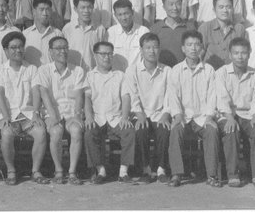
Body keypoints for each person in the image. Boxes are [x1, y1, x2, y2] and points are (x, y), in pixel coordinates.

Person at [166, 30, 221, 188]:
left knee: (212, 131)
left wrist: (209, 117)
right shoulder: (176, 70)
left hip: (202, 117)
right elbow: (173, 96)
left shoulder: (209, 70)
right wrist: (177, 115)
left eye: (197, 44)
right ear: (183, 48)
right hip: (183, 116)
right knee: (175, 130)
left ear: (202, 48)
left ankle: (212, 175)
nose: (193, 48)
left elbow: (212, 96)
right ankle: (176, 174)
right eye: (189, 45)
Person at [0, 32, 49, 185]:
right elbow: (0, 94)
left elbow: (36, 92)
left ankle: (35, 171)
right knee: (6, 134)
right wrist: (6, 116)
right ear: (6, 50)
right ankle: (11, 171)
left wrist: (36, 113)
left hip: (28, 114)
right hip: (9, 115)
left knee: (40, 132)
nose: (18, 50)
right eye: (13, 47)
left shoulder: (31, 68)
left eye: (20, 47)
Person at [214, 38, 255, 188]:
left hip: (248, 114)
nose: (240, 56)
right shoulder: (221, 73)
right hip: (227, 114)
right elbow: (222, 99)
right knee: (231, 130)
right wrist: (230, 118)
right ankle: (233, 175)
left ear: (249, 54)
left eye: (243, 53)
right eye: (236, 53)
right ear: (230, 55)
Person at [83, 41, 137, 184]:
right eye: (103, 54)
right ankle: (100, 171)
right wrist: (89, 117)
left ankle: (123, 172)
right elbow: (87, 98)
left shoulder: (120, 75)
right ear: (95, 56)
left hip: (116, 118)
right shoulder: (89, 76)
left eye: (109, 54)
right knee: (89, 133)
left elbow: (126, 97)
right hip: (97, 118)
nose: (106, 57)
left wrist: (125, 117)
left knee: (129, 131)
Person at [35, 36, 86, 185]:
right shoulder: (44, 70)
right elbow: (44, 93)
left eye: (65, 48)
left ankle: (72, 172)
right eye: (58, 48)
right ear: (50, 52)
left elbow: (79, 95)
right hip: (52, 112)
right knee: (56, 132)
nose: (62, 51)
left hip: (71, 112)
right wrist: (53, 116)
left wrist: (77, 115)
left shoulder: (78, 70)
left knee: (76, 130)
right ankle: (58, 170)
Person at [128, 33, 172, 183]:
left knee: (164, 131)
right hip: (140, 113)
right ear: (141, 50)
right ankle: (145, 169)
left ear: (159, 49)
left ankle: (161, 169)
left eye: (155, 47)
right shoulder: (132, 70)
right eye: (148, 48)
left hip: (160, 113)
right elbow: (133, 96)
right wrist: (140, 116)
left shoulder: (167, 71)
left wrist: (165, 115)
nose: (152, 51)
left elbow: (170, 96)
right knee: (140, 131)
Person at [199, 0, 247, 70]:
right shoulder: (205, 28)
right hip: (210, 73)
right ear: (214, 10)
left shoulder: (239, 29)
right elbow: (199, 54)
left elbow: (245, 53)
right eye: (221, 7)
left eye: (228, 7)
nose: (225, 10)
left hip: (233, 73)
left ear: (233, 9)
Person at [150, 0, 197, 67]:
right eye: (171, 4)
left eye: (178, 4)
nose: (175, 8)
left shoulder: (190, 27)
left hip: (184, 70)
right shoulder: (155, 29)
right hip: (162, 71)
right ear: (164, 7)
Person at [62, 0, 107, 70]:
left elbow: (104, 53)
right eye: (82, 7)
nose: (86, 11)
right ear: (75, 9)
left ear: (93, 8)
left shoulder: (100, 29)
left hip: (92, 73)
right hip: (72, 73)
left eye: (89, 7)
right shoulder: (67, 29)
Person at [108, 0, 150, 71]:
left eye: (126, 13)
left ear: (132, 12)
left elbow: (148, 57)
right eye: (120, 15)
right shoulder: (111, 32)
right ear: (115, 15)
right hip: (117, 75)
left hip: (138, 74)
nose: (123, 18)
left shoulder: (143, 31)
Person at [22, 0, 64, 67]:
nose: (45, 13)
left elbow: (61, 59)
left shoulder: (57, 34)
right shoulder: (25, 35)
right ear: (34, 11)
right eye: (41, 10)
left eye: (47, 9)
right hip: (31, 73)